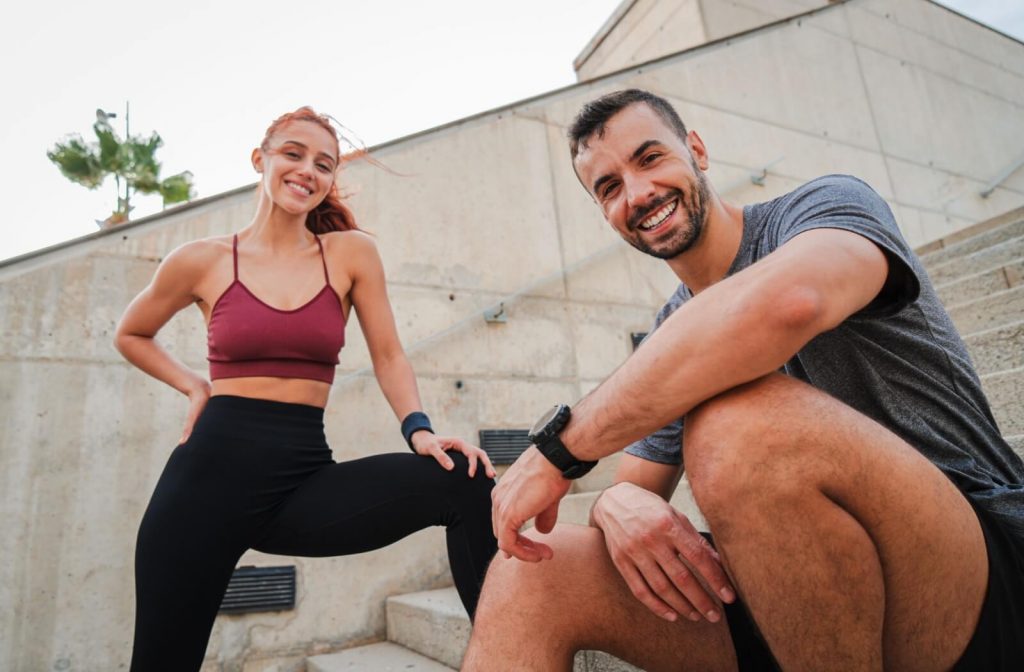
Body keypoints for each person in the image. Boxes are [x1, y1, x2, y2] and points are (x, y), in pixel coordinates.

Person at [465, 89, 1024, 670]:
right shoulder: (672, 335)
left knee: (737, 429)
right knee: (535, 574)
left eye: (650, 158)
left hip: (976, 566)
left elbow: (791, 302)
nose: (638, 194)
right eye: (609, 187)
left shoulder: (823, 207)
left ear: (697, 151)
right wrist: (612, 503)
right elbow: (634, 485)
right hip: (794, 597)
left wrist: (558, 451)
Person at [114, 106, 497, 672]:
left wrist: (420, 431)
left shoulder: (350, 253)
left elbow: (389, 355)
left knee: (463, 483)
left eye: (324, 163)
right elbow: (132, 333)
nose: (307, 171)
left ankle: (511, 653)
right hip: (203, 489)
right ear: (260, 160)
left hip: (300, 481)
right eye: (293, 153)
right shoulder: (201, 260)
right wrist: (195, 387)